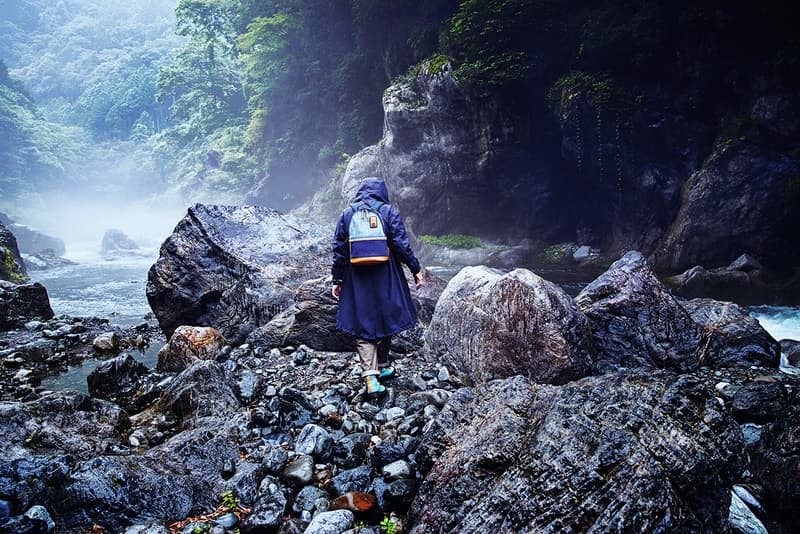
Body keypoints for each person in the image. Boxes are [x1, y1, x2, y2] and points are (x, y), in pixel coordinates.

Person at [331, 177, 424, 396]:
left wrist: (337, 280)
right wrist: (415, 269)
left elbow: (339, 250)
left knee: (363, 320)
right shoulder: (388, 211)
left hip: (357, 276)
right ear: (381, 191)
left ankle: (375, 373)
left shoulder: (347, 214)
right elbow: (401, 245)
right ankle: (377, 370)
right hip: (386, 273)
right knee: (386, 314)